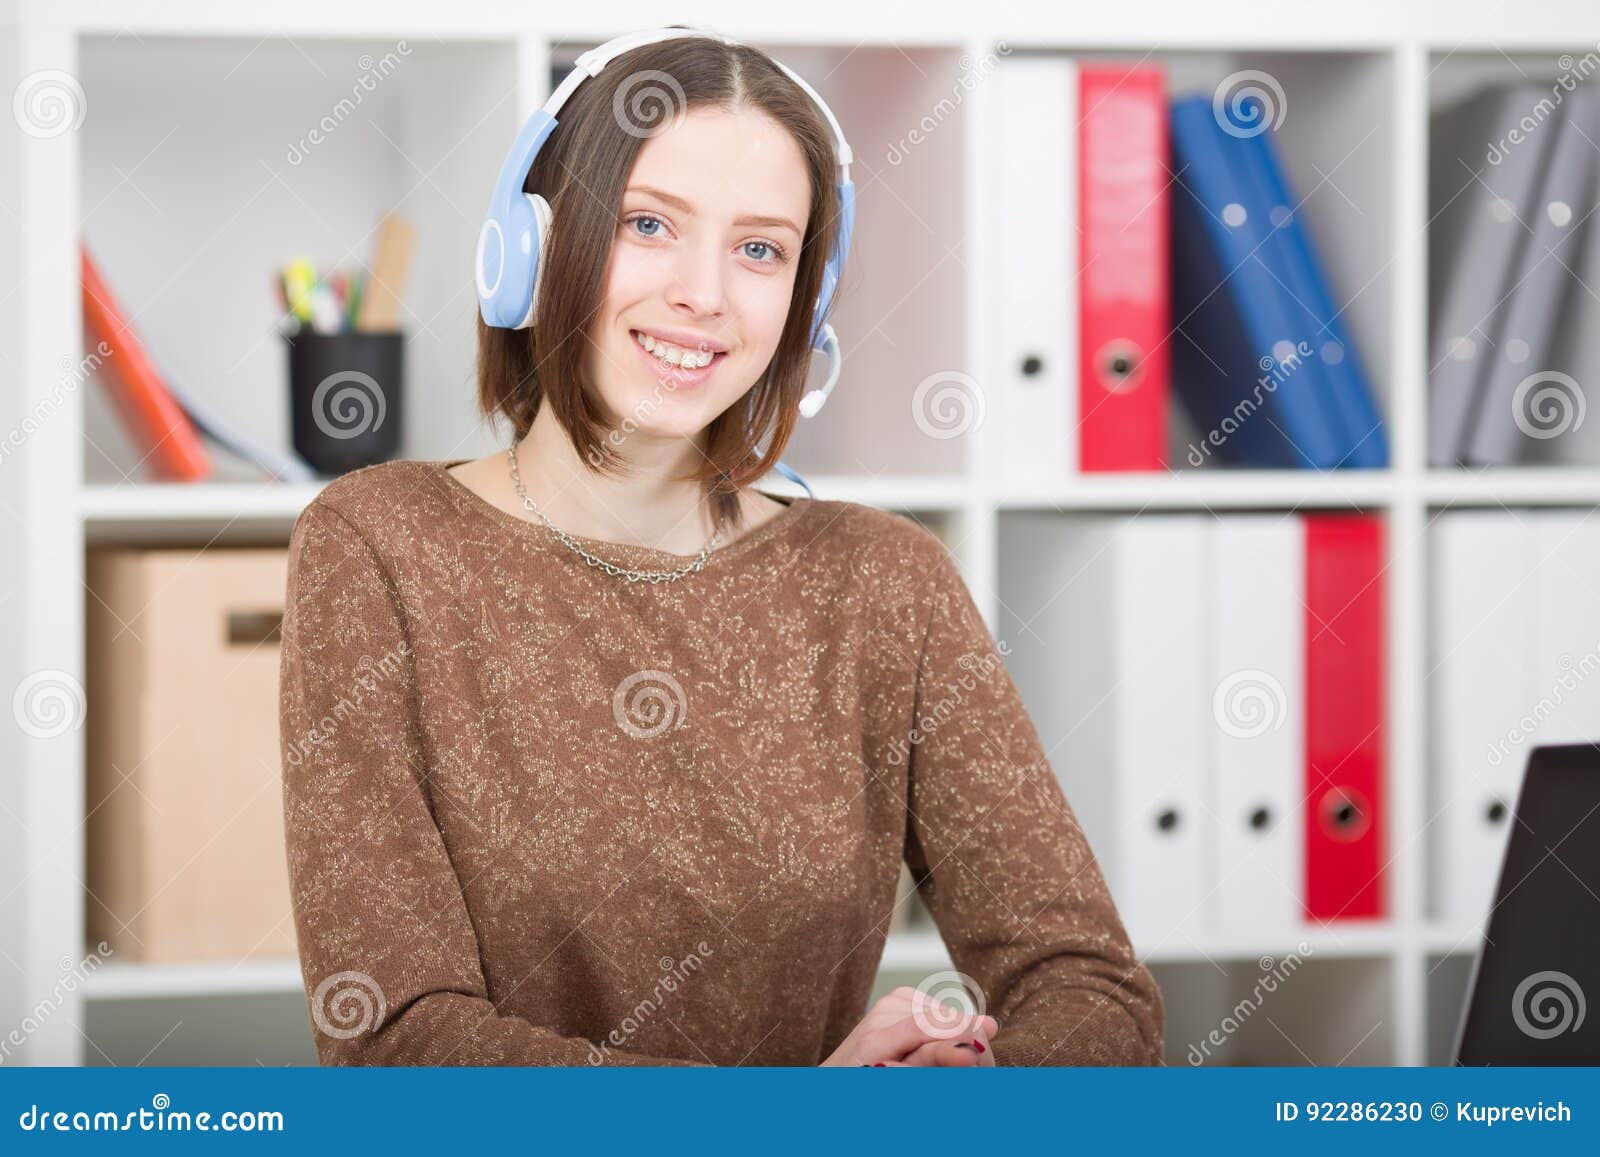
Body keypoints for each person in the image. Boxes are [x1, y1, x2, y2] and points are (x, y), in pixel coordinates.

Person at [278, 26, 1164, 1067]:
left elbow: (1090, 984)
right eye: (648, 223)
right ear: (530, 245)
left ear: (805, 300)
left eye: (758, 249)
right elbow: (396, 1041)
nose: (704, 293)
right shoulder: (378, 545)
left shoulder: (883, 579)